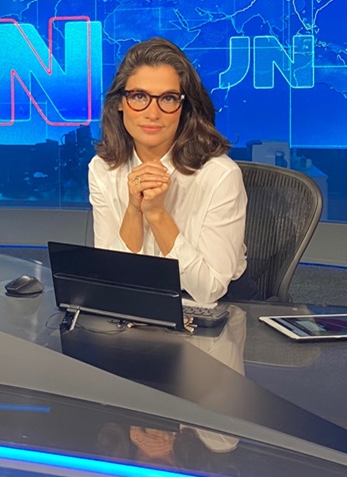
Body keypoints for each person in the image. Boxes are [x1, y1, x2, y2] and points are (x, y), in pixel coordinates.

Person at [89, 38, 246, 305]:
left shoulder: (220, 176)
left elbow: (209, 289)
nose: (153, 113)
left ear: (184, 109)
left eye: (168, 99)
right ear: (120, 103)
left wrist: (156, 213)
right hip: (137, 301)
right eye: (139, 96)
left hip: (216, 308)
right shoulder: (103, 169)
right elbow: (111, 277)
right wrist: (134, 211)